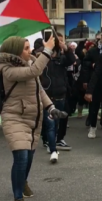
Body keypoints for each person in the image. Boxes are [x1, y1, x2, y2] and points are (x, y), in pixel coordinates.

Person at [0, 35, 67, 201]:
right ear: (15, 51)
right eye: (26, 48)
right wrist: (48, 50)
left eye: (29, 47)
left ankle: (23, 181)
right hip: (14, 117)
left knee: (28, 157)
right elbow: (34, 72)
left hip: (33, 118)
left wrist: (51, 108)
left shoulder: (30, 64)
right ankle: (18, 200)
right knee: (20, 157)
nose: (30, 51)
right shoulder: (7, 69)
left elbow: (39, 90)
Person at [38, 34, 76, 162]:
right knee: (50, 124)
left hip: (60, 95)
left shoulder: (62, 58)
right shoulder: (42, 57)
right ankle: (53, 149)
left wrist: (65, 47)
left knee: (57, 122)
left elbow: (72, 60)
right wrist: (46, 50)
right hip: (48, 97)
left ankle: (53, 141)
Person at [81, 32, 102, 139]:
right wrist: (92, 65)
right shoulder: (93, 51)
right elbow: (85, 64)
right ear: (100, 41)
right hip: (96, 82)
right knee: (94, 106)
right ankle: (92, 127)